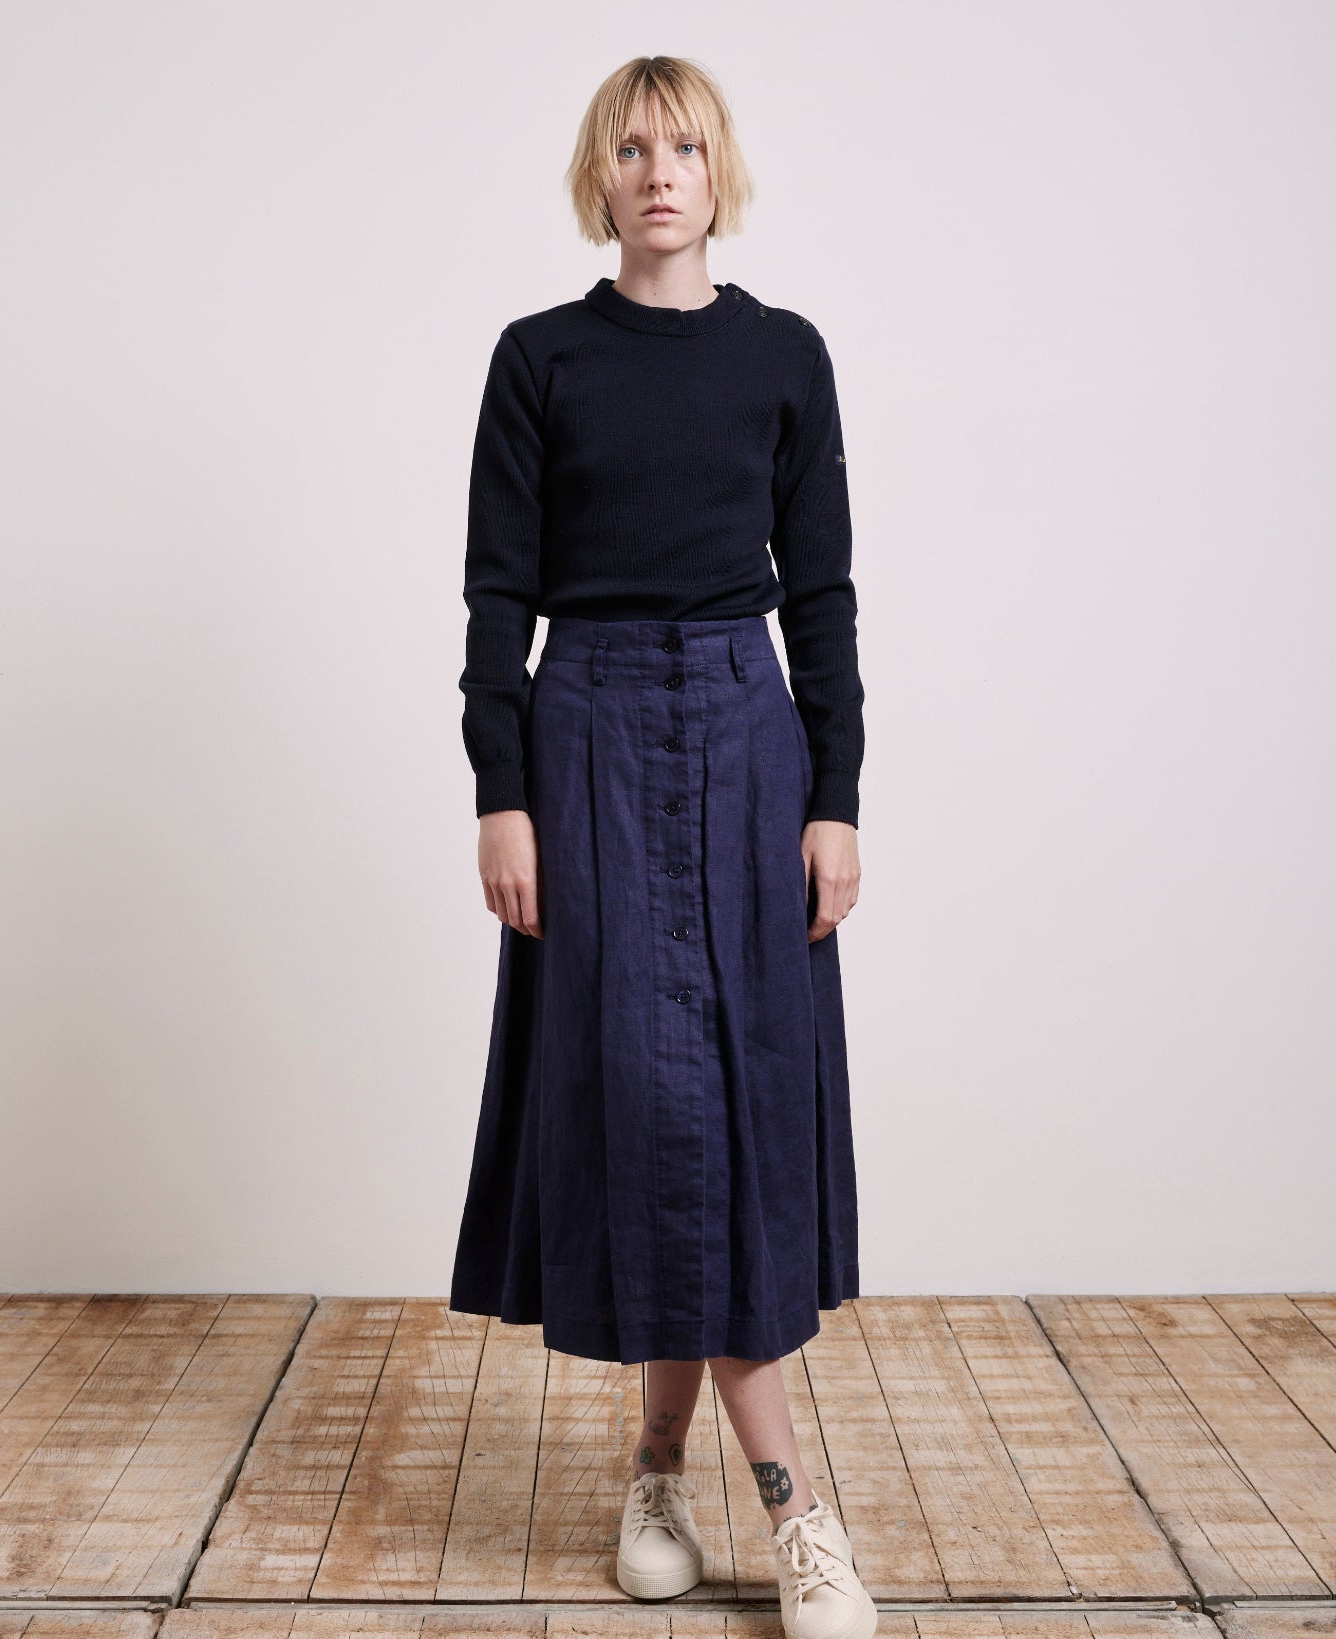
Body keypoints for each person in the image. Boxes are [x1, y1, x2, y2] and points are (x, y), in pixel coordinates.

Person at [448, 54, 875, 1639]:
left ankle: (661, 1468)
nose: (656, 172)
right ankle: (793, 1510)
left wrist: (835, 796)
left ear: (718, 170)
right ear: (598, 177)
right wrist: (501, 790)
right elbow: (496, 595)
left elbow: (820, 595)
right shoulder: (539, 358)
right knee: (646, 1101)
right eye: (628, 149)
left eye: (682, 146)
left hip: (750, 736)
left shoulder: (783, 355)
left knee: (737, 1100)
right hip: (589, 734)